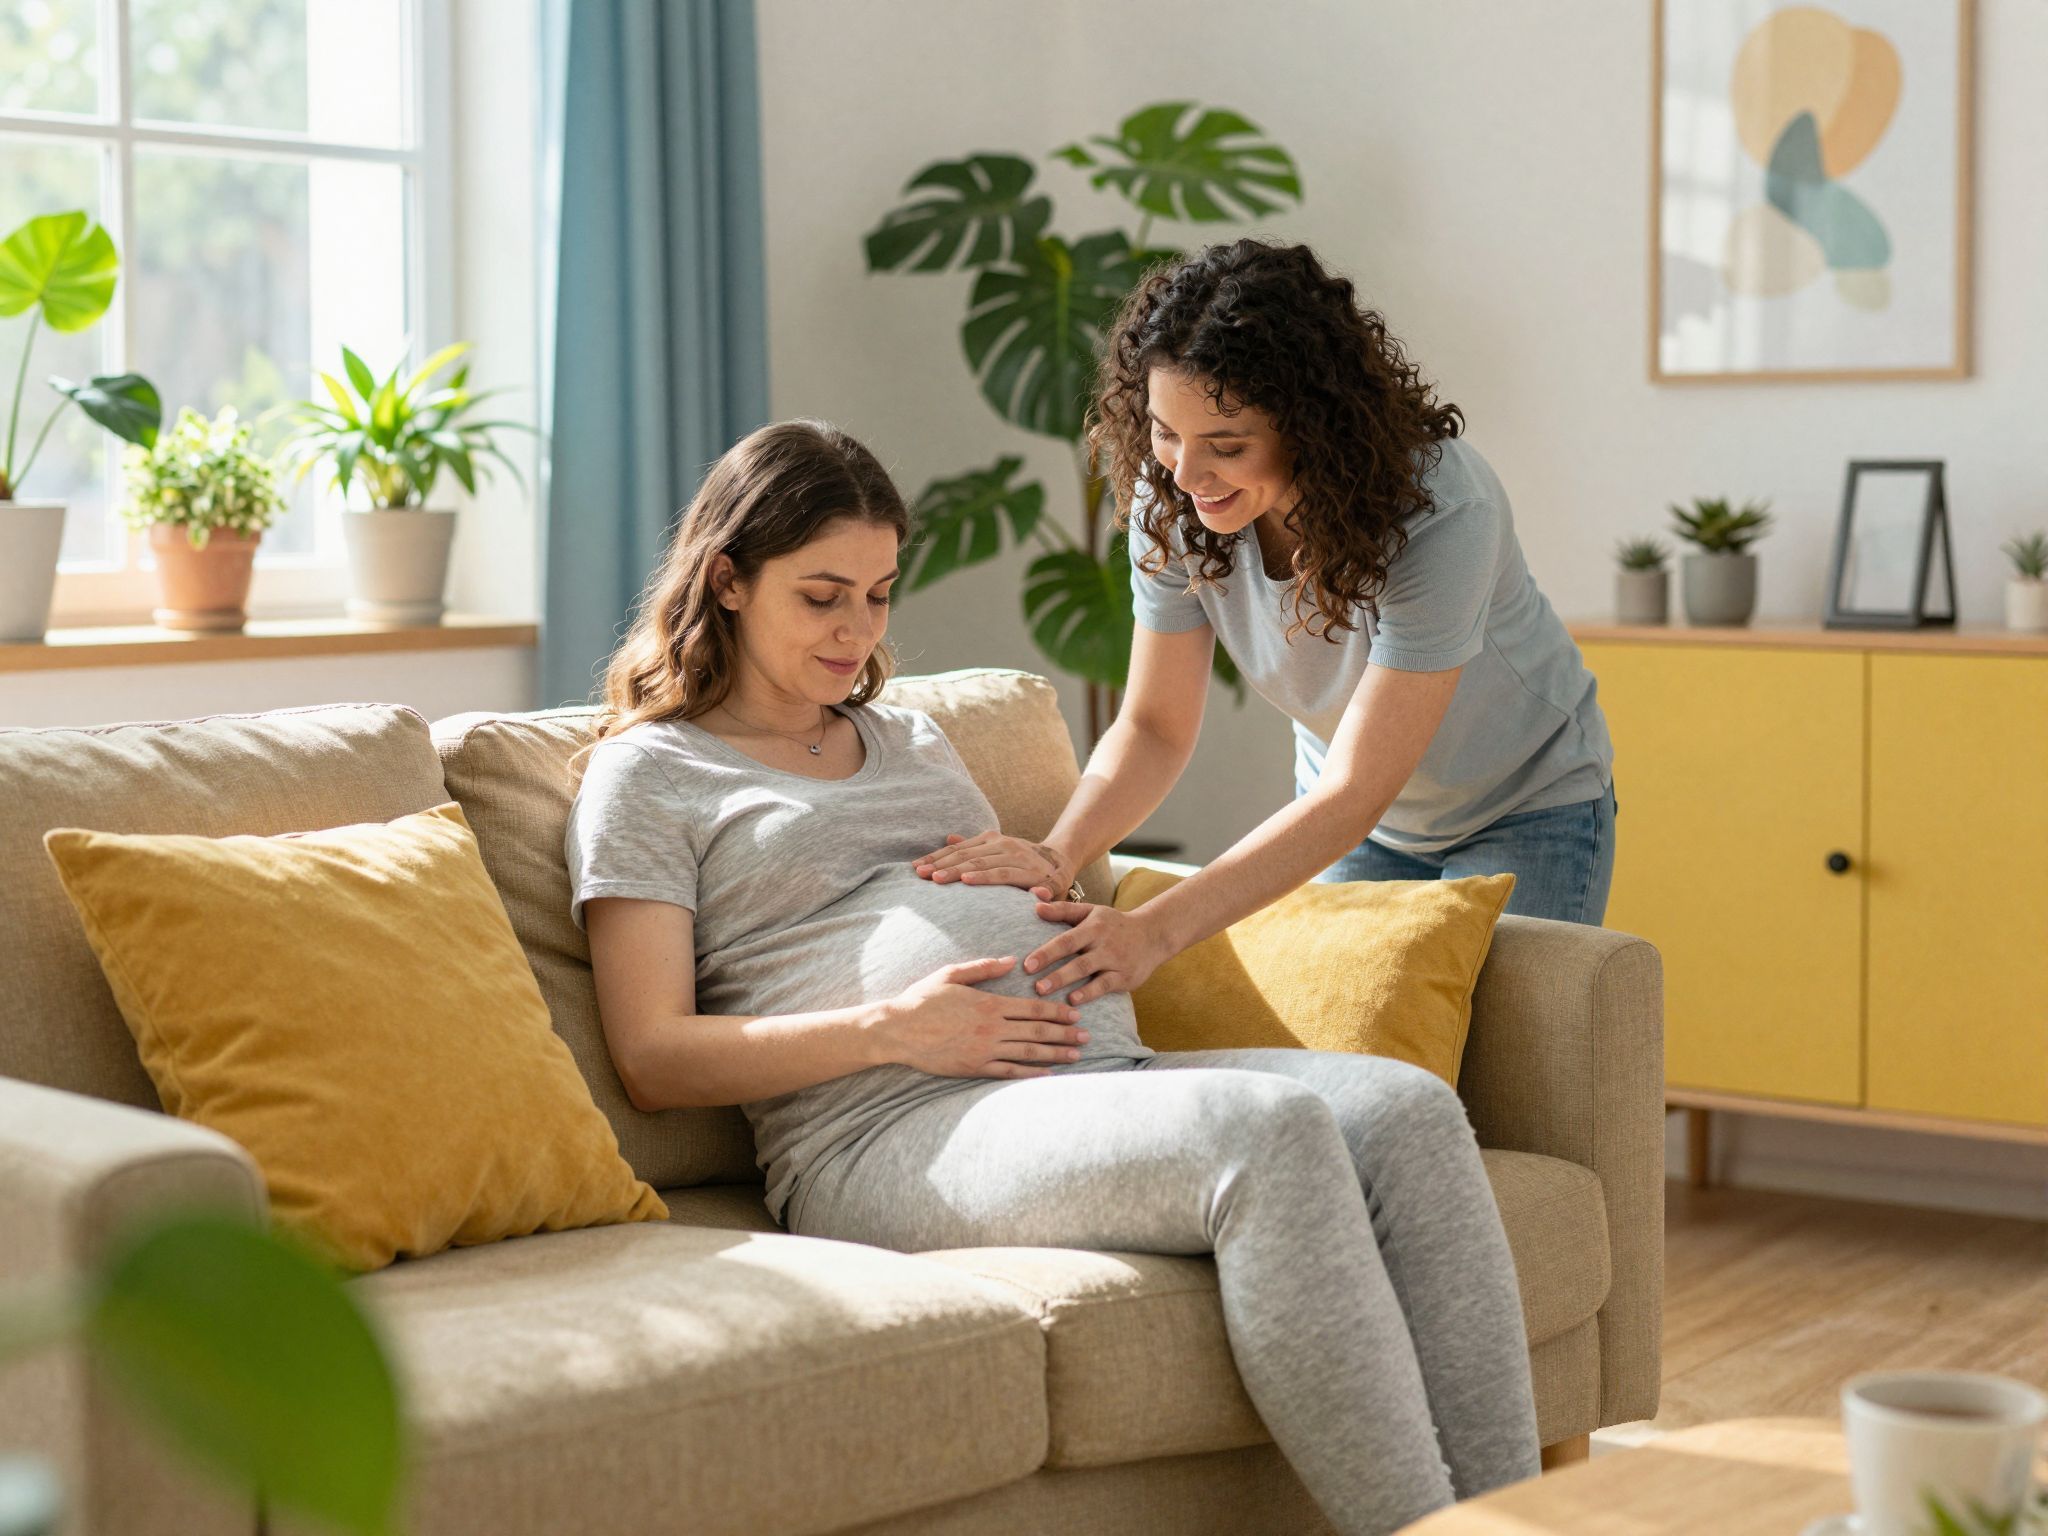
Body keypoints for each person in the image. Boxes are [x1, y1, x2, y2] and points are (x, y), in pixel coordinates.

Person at [565, 419, 1542, 1534]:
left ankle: (1516, 1520)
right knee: (1263, 1135)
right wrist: (893, 1026)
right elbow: (650, 1057)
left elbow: (1019, 891)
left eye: (879, 595)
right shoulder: (649, 774)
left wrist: (1051, 886)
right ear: (727, 581)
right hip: (885, 1128)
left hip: (1092, 1075)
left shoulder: (911, 740)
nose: (856, 633)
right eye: (822, 596)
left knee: (1409, 1111)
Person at [911, 239, 1616, 1012]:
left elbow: (1356, 791)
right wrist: (1057, 852)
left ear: (1313, 427)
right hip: (1356, 821)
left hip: (1523, 801)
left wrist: (1151, 932)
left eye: (1226, 445)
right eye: (1164, 431)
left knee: (1500, 1060)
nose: (1183, 473)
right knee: (1352, 1036)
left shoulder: (1442, 512)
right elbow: (1153, 727)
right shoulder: (1175, 500)